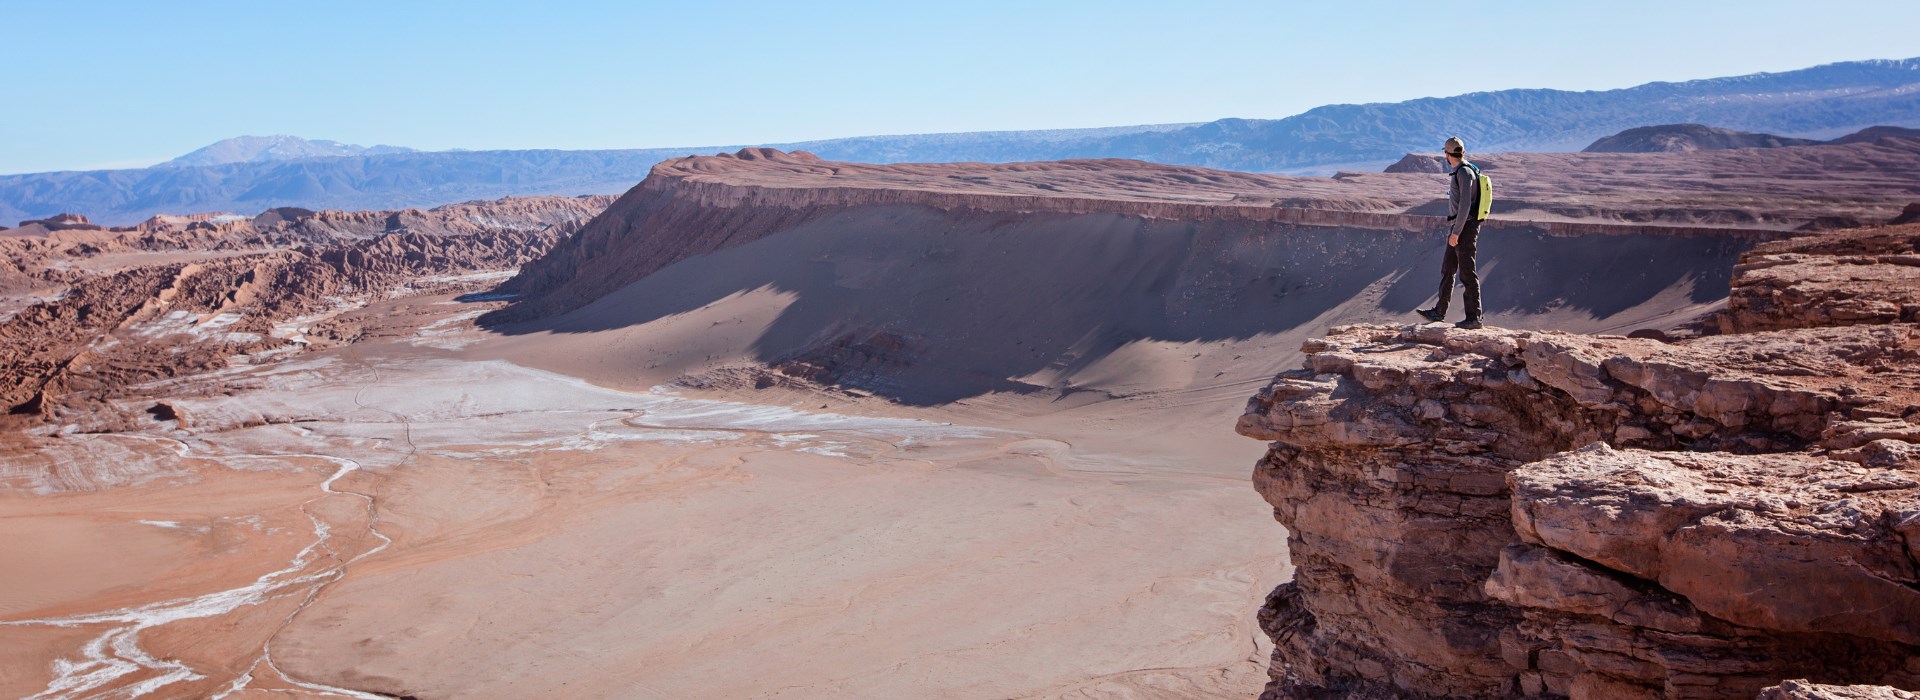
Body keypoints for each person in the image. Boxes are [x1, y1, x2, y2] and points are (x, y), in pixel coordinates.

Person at [1416, 136, 1485, 329]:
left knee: (1467, 273)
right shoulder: (1464, 170)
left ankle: (1474, 318)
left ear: (1447, 154)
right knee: (1448, 268)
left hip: (1464, 228)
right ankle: (1439, 312)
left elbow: (1464, 206)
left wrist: (1456, 233)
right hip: (1459, 227)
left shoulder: (1463, 173)